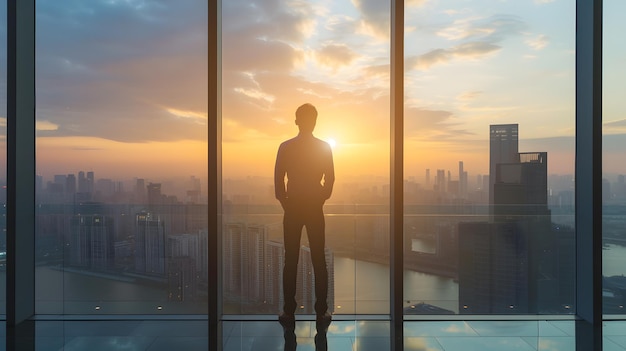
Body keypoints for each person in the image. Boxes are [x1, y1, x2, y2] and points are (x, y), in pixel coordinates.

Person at [274, 103, 335, 333]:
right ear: (314, 122)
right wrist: (319, 199)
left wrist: (287, 204)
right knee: (319, 260)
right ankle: (322, 312)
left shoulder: (285, 147)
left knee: (291, 260)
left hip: (294, 208)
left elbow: (279, 183)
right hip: (313, 208)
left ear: (297, 120)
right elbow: (330, 181)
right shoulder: (324, 147)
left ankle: (289, 311)